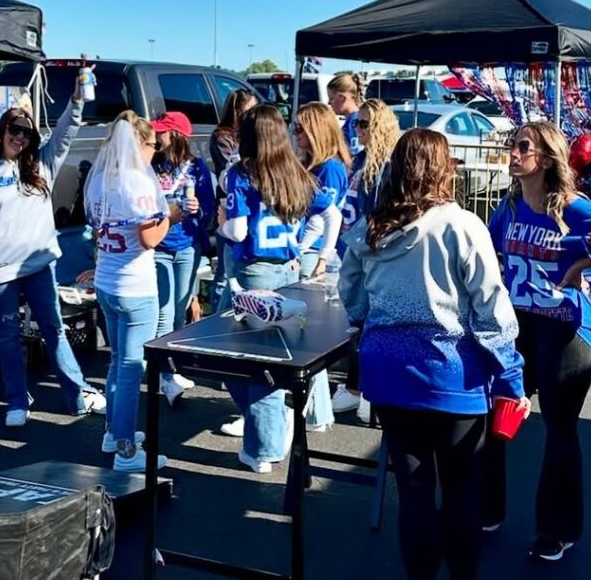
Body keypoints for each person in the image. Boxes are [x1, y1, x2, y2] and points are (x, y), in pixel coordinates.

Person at [339, 129, 527, 580]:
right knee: (464, 491)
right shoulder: (463, 226)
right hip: (455, 375)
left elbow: (352, 299)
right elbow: (492, 308)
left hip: (393, 376)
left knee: (415, 491)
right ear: (446, 170)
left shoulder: (371, 230)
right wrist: (511, 374)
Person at [485, 122, 591, 560]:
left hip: (566, 330)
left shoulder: (572, 208)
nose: (512, 152)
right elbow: (486, 256)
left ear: (546, 158)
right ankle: (486, 508)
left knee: (559, 429)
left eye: (522, 146)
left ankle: (557, 529)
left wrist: (586, 260)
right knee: (494, 413)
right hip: (518, 325)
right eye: (512, 145)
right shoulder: (507, 209)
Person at [0, 90, 103, 428]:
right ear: (2, 132)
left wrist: (78, 94)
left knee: (54, 329)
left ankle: (77, 394)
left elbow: (69, 128)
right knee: (8, 336)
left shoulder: (43, 164)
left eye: (26, 132)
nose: (20, 137)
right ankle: (16, 399)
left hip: (39, 265)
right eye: (14, 130)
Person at [216, 104, 341, 470]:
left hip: (255, 274)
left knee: (244, 361)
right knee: (268, 359)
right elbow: (330, 213)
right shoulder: (296, 172)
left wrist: (220, 224)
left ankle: (265, 445)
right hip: (287, 272)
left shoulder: (244, 172)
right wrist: (318, 254)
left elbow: (238, 231)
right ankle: (271, 434)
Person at [86, 113, 170, 472]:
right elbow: (148, 238)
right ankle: (125, 450)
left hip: (107, 280)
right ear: (138, 145)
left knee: (118, 361)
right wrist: (173, 216)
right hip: (135, 286)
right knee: (131, 367)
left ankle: (113, 431)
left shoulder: (102, 180)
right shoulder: (138, 183)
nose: (155, 151)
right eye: (152, 145)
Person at [332, 98, 402, 421]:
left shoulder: (391, 164)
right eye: (356, 123)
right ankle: (355, 387)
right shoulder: (360, 160)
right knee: (358, 322)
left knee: (374, 324)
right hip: (356, 250)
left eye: (363, 124)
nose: (356, 129)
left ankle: (368, 391)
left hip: (379, 252)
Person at [150, 111, 216, 404]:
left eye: (161, 131)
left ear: (175, 135)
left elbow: (211, 210)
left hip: (188, 245)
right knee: (164, 311)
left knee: (179, 309)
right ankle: (165, 376)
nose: (156, 136)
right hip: (159, 246)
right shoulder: (150, 165)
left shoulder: (198, 168)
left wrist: (199, 207)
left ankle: (171, 368)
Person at [209, 87, 258, 308]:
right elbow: (230, 171)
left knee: (239, 263)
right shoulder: (222, 136)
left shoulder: (253, 134)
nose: (253, 115)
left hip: (248, 206)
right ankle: (216, 318)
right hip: (227, 207)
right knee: (225, 271)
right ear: (236, 112)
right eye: (249, 111)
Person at [294, 101, 351, 280]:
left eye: (300, 128)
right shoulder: (311, 164)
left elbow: (323, 219)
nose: (295, 133)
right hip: (303, 246)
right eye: (295, 127)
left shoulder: (330, 168)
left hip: (312, 250)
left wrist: (301, 251)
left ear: (316, 131)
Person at [327, 72, 365, 157]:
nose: (329, 102)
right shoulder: (354, 120)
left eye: (331, 98)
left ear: (342, 97)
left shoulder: (354, 123)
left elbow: (354, 157)